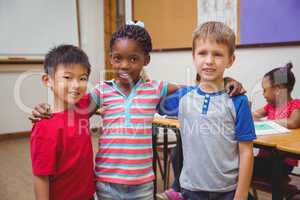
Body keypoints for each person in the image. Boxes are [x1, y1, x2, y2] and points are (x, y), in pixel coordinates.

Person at [31, 21, 244, 200]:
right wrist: (45, 108)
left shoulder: (155, 89)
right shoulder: (101, 91)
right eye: (118, 58)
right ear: (110, 58)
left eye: (133, 59)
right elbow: (70, 109)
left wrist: (225, 81)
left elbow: (194, 88)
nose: (124, 65)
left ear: (146, 60)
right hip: (106, 182)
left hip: (142, 184)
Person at [158, 21, 256, 200]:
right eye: (202, 53)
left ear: (231, 60)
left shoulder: (238, 101)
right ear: (194, 56)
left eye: (218, 55)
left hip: (228, 191)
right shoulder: (183, 98)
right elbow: (147, 94)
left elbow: (246, 151)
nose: (209, 61)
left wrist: (241, 195)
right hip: (191, 190)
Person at [30, 45, 95, 200]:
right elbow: (41, 177)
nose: (76, 85)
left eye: (83, 78)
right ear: (48, 80)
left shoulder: (83, 106)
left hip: (88, 195)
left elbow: (112, 89)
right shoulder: (44, 127)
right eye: (67, 77)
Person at [253, 62, 300, 180]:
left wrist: (266, 122)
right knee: (241, 162)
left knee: (243, 166)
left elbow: (293, 122)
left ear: (278, 90)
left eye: (265, 90)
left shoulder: (295, 105)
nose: (263, 94)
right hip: (265, 157)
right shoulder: (270, 107)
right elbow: (253, 115)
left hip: (283, 162)